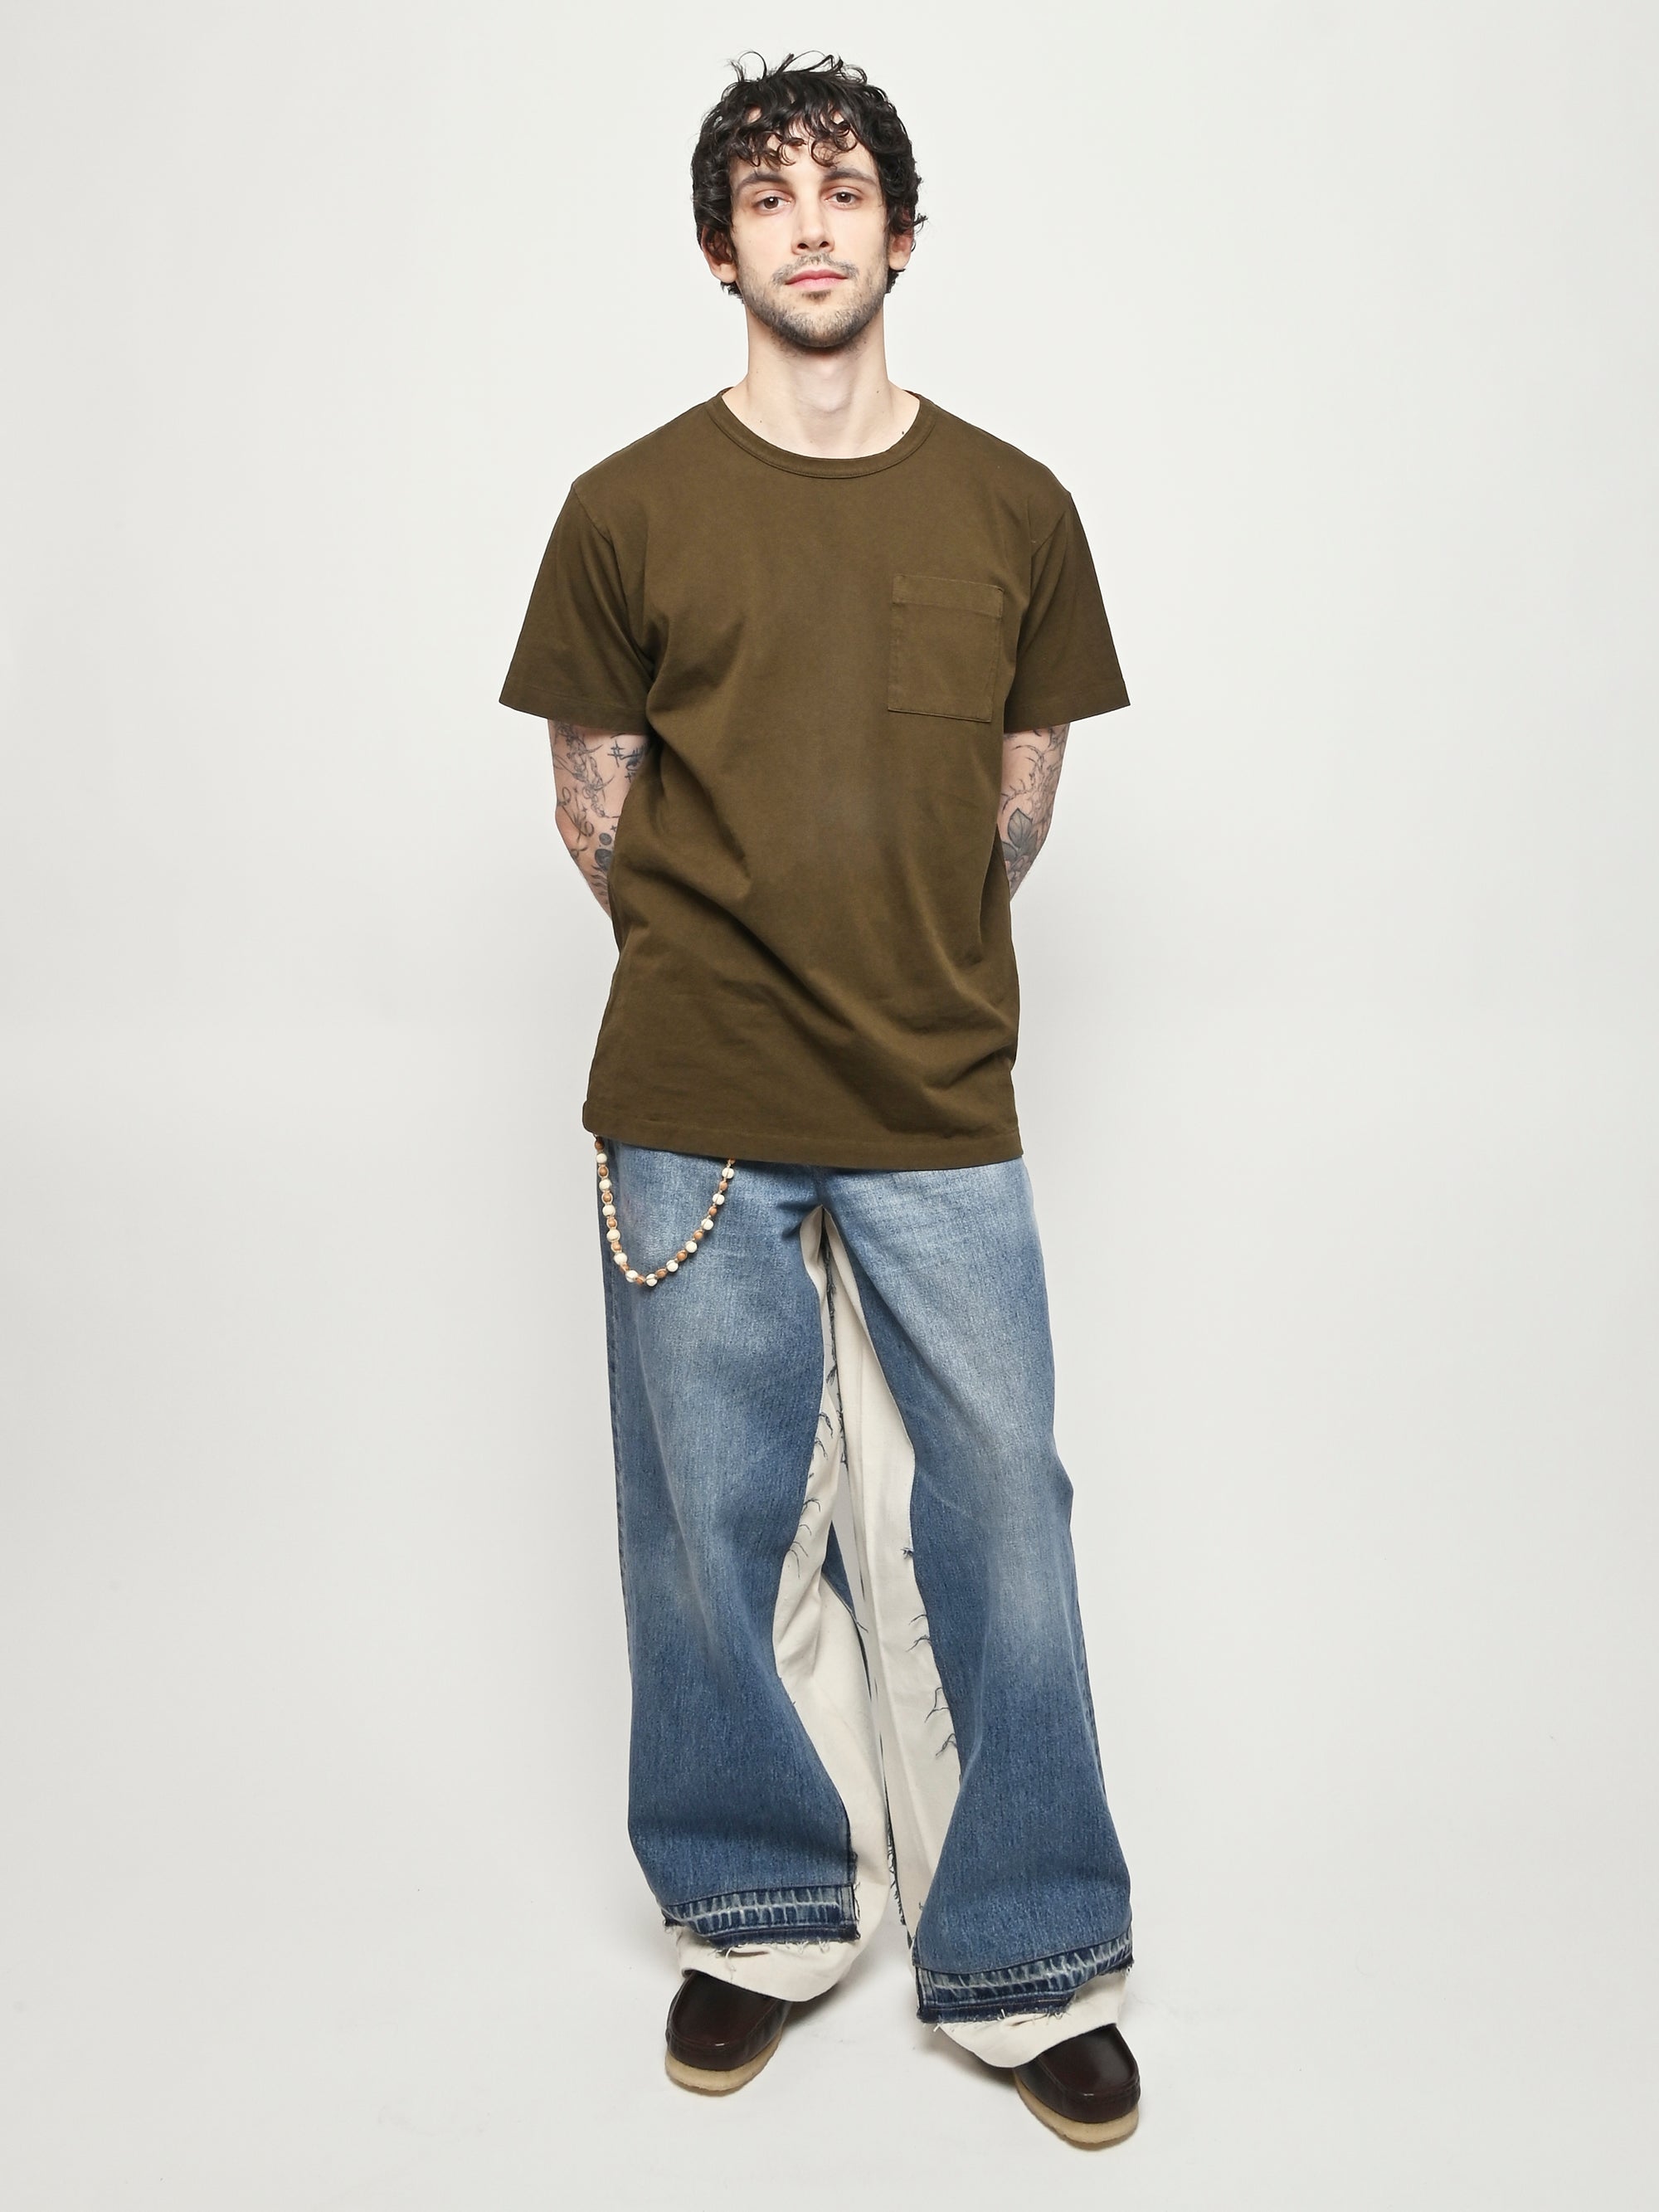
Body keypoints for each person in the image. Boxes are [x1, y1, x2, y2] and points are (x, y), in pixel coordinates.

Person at [499, 53, 1140, 2149]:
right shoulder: (625, 508)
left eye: (842, 189)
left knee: (999, 1513)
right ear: (719, 249)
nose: (807, 223)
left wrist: (902, 954)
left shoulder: (1015, 506)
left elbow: (1021, 793)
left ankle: (1028, 1953)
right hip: (689, 1094)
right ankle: (762, 1911)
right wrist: (725, 974)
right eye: (767, 195)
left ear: (900, 233)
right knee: (713, 1522)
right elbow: (591, 805)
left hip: (938, 1085)